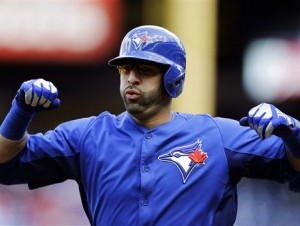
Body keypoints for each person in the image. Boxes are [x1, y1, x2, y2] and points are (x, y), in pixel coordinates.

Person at [0, 25, 300, 226]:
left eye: (144, 69)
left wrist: (293, 132)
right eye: (126, 68)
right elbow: (6, 163)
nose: (131, 77)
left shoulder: (217, 136)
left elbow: (294, 167)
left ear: (173, 79)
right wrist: (20, 112)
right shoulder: (88, 136)